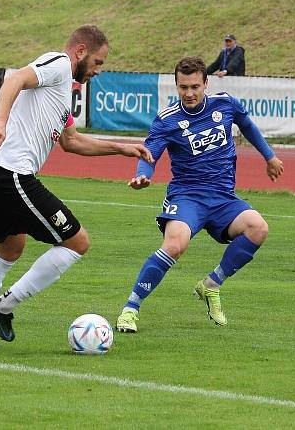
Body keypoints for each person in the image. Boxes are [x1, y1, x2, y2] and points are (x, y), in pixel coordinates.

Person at [0, 25, 151, 347]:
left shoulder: (62, 95)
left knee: (9, 249)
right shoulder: (58, 63)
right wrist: (0, 119)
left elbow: (71, 142)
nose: (98, 71)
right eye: (98, 63)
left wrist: (121, 148)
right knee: (77, 242)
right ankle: (3, 307)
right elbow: (14, 80)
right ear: (81, 51)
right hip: (10, 172)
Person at [115, 56, 283, 331]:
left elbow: (248, 125)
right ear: (176, 86)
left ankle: (211, 285)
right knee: (175, 245)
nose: (189, 93)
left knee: (258, 228)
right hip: (187, 196)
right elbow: (150, 153)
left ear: (206, 83)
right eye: (183, 87)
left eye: (195, 86)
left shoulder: (225, 104)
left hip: (223, 198)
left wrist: (270, 157)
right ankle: (130, 309)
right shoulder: (167, 119)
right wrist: (143, 174)